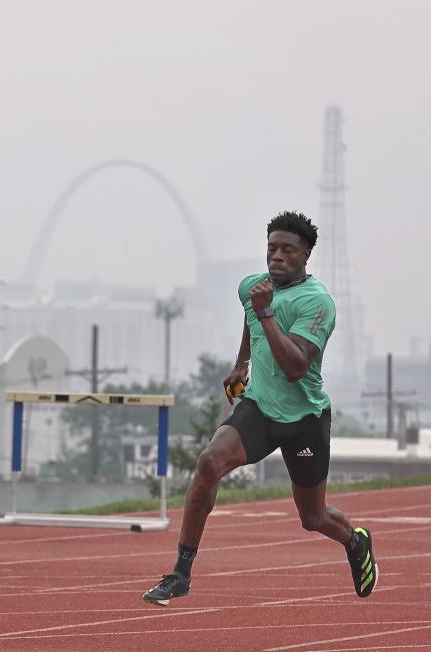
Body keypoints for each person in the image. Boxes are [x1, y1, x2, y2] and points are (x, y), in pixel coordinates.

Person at [142, 211, 378, 606]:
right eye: (272, 248)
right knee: (208, 463)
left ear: (305, 256)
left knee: (312, 518)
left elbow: (295, 367)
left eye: (288, 250)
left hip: (305, 419)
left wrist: (268, 312)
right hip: (260, 409)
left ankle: (355, 543)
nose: (277, 256)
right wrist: (242, 363)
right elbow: (251, 320)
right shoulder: (253, 288)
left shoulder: (318, 303)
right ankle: (181, 572)